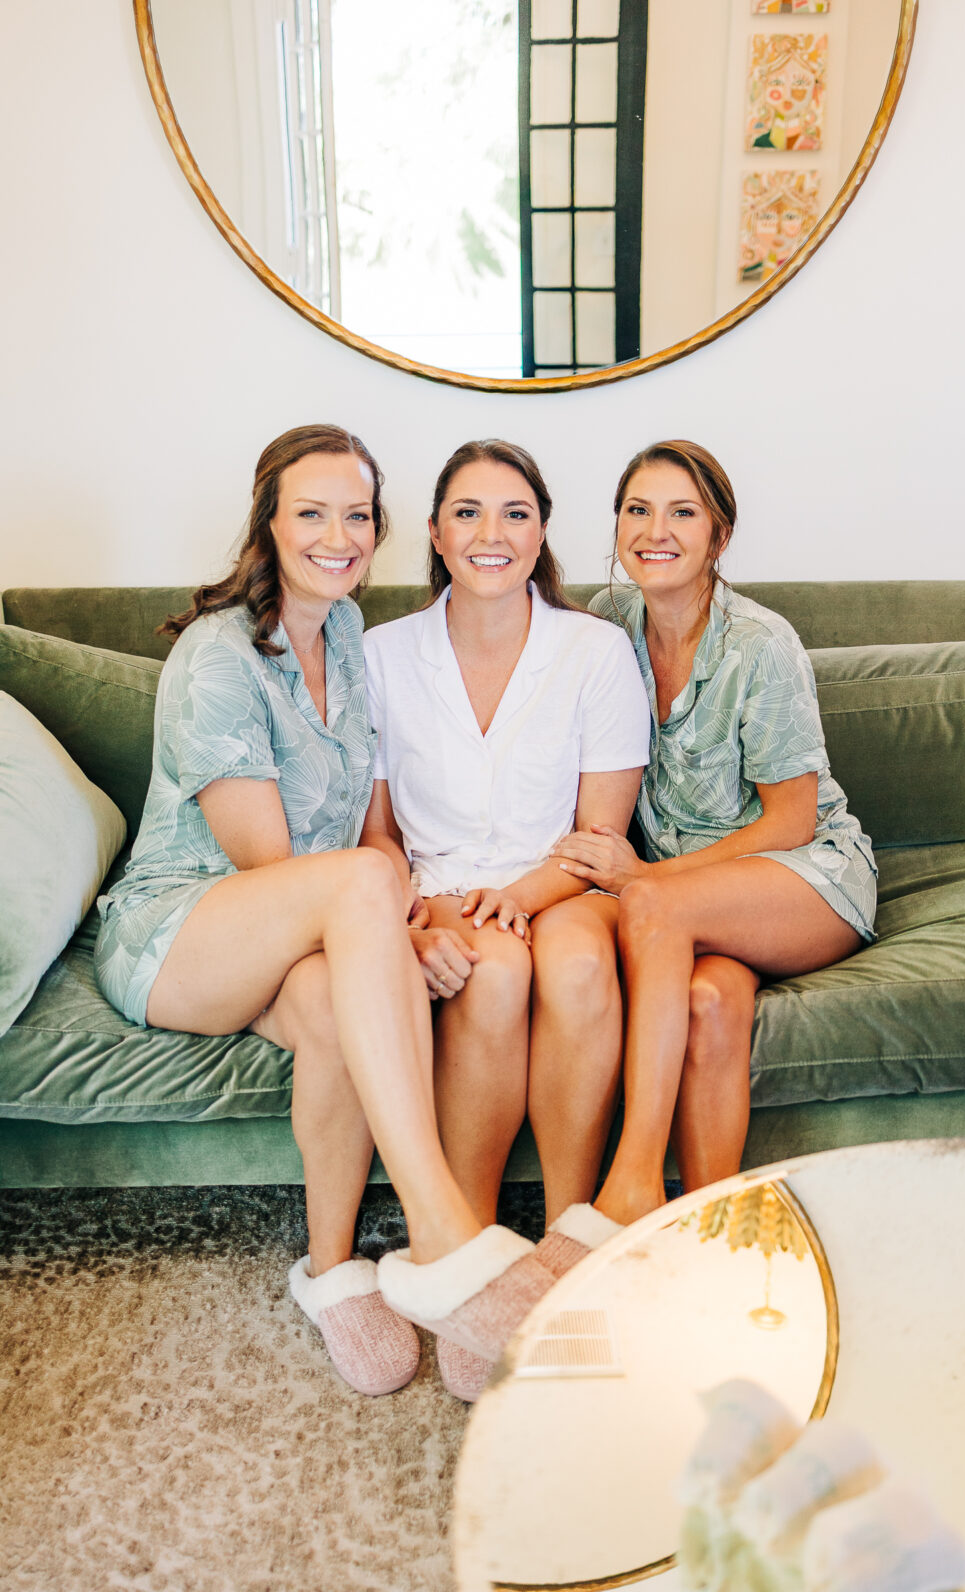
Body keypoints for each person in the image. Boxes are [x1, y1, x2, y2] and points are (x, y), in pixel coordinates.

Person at [93, 425, 563, 1398]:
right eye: (311, 512)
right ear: (267, 523)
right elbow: (272, 864)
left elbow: (367, 830)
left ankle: (332, 1267)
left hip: (302, 931)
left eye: (356, 515)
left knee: (340, 1010)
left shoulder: (346, 636)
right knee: (359, 902)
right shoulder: (218, 659)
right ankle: (441, 1231)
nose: (337, 535)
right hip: (183, 930)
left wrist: (418, 922)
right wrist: (394, 924)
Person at [359, 439, 651, 1395]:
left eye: (516, 512)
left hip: (561, 881)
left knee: (565, 967)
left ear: (541, 533)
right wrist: (420, 918)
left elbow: (598, 832)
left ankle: (568, 1249)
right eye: (470, 513)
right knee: (494, 971)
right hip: (441, 886)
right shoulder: (381, 655)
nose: (493, 533)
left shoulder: (595, 649)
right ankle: (470, 1254)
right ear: (437, 534)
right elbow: (378, 837)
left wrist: (522, 896)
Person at [554, 440, 877, 1224]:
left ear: (717, 537)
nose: (654, 530)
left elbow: (790, 818)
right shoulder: (605, 626)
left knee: (654, 911)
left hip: (800, 872)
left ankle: (631, 1182)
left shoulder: (758, 644)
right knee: (708, 1001)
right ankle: (705, 1230)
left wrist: (648, 879)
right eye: (637, 510)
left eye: (681, 512)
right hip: (697, 905)